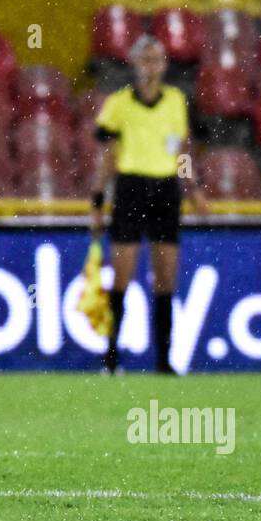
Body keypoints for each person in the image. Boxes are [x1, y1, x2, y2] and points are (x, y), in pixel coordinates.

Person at [89, 35, 208, 374]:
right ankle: (111, 357)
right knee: (122, 276)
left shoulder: (175, 101)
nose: (151, 66)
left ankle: (164, 361)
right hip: (131, 188)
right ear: (135, 63)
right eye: (145, 59)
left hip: (166, 189)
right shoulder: (119, 104)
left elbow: (181, 150)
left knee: (165, 278)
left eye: (156, 59)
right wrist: (98, 200)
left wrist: (192, 187)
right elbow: (108, 156)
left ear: (164, 65)